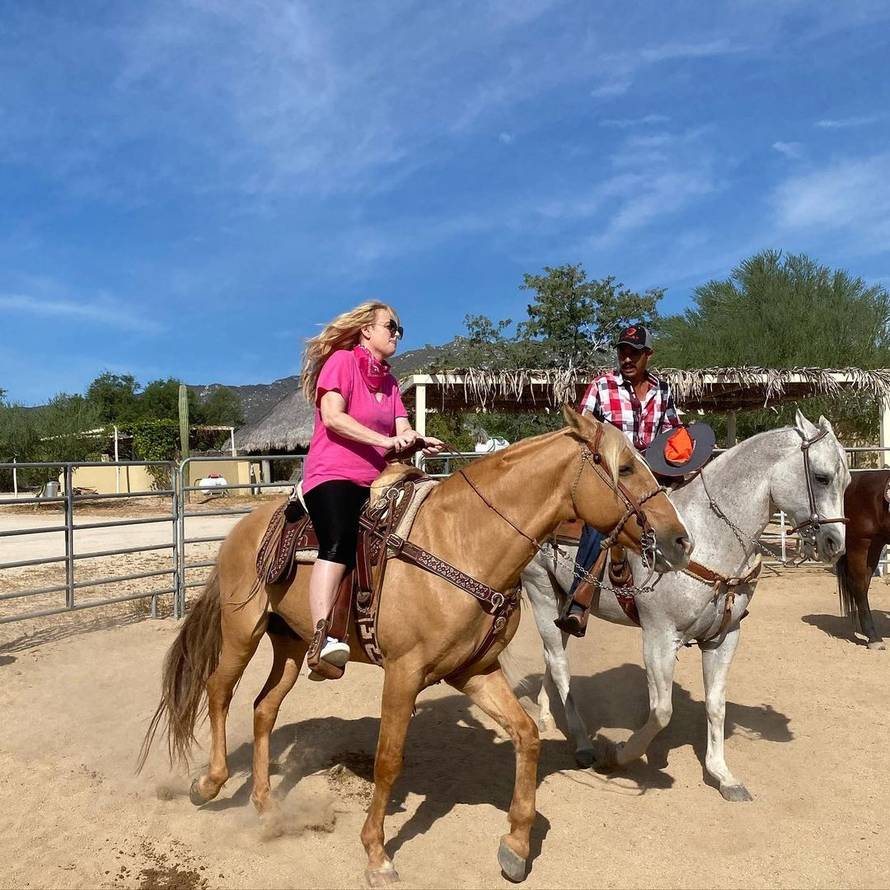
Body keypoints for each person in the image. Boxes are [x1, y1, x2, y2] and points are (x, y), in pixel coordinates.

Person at [299, 300, 443, 678]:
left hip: (377, 480)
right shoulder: (342, 363)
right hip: (333, 475)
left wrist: (417, 439)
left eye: (399, 329)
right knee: (340, 540)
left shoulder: (391, 381)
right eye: (391, 326)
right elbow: (333, 418)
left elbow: (401, 430)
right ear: (367, 330)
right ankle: (322, 636)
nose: (396, 334)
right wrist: (384, 442)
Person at [555, 323, 681, 636]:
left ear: (648, 355)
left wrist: (684, 460)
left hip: (651, 475)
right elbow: (582, 431)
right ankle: (578, 600)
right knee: (600, 525)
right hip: (611, 478)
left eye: (634, 352)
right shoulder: (602, 386)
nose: (627, 358)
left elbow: (674, 432)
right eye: (623, 351)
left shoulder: (663, 391)